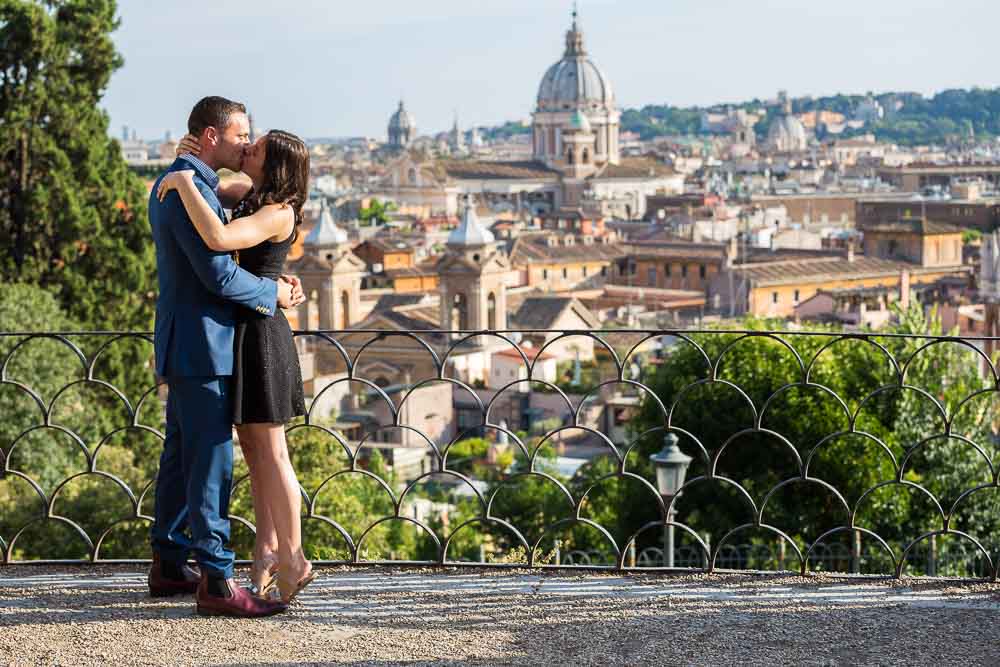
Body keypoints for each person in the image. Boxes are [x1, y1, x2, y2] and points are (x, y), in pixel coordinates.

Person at [147, 95, 303, 617]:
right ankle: (216, 580)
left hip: (190, 341)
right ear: (212, 137)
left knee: (179, 457)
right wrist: (272, 293)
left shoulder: (192, 181)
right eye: (241, 137)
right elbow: (217, 272)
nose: (246, 145)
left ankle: (169, 561)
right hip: (205, 344)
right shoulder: (185, 188)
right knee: (211, 464)